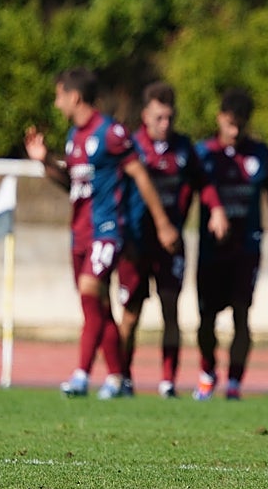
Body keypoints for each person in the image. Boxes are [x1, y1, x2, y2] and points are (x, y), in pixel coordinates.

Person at [24, 68, 179, 399]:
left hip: (106, 230)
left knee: (90, 290)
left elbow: (140, 176)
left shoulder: (110, 132)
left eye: (59, 95)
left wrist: (163, 223)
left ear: (74, 96)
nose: (56, 103)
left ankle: (81, 375)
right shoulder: (73, 137)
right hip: (78, 232)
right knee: (98, 307)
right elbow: (74, 184)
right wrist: (46, 161)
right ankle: (118, 377)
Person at [116, 82, 228, 398]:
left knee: (170, 310)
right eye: (158, 118)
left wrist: (217, 208)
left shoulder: (182, 148)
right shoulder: (130, 147)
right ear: (145, 116)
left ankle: (167, 382)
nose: (164, 124)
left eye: (169, 118)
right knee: (131, 312)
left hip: (171, 245)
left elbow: (203, 182)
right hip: (136, 243)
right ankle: (122, 377)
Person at [193, 87, 268, 401]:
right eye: (230, 122)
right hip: (211, 249)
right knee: (206, 318)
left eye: (241, 123)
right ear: (220, 118)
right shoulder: (203, 153)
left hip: (246, 247)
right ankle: (208, 370)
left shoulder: (259, 155)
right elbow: (186, 195)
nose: (235, 129)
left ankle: (234, 382)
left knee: (241, 313)